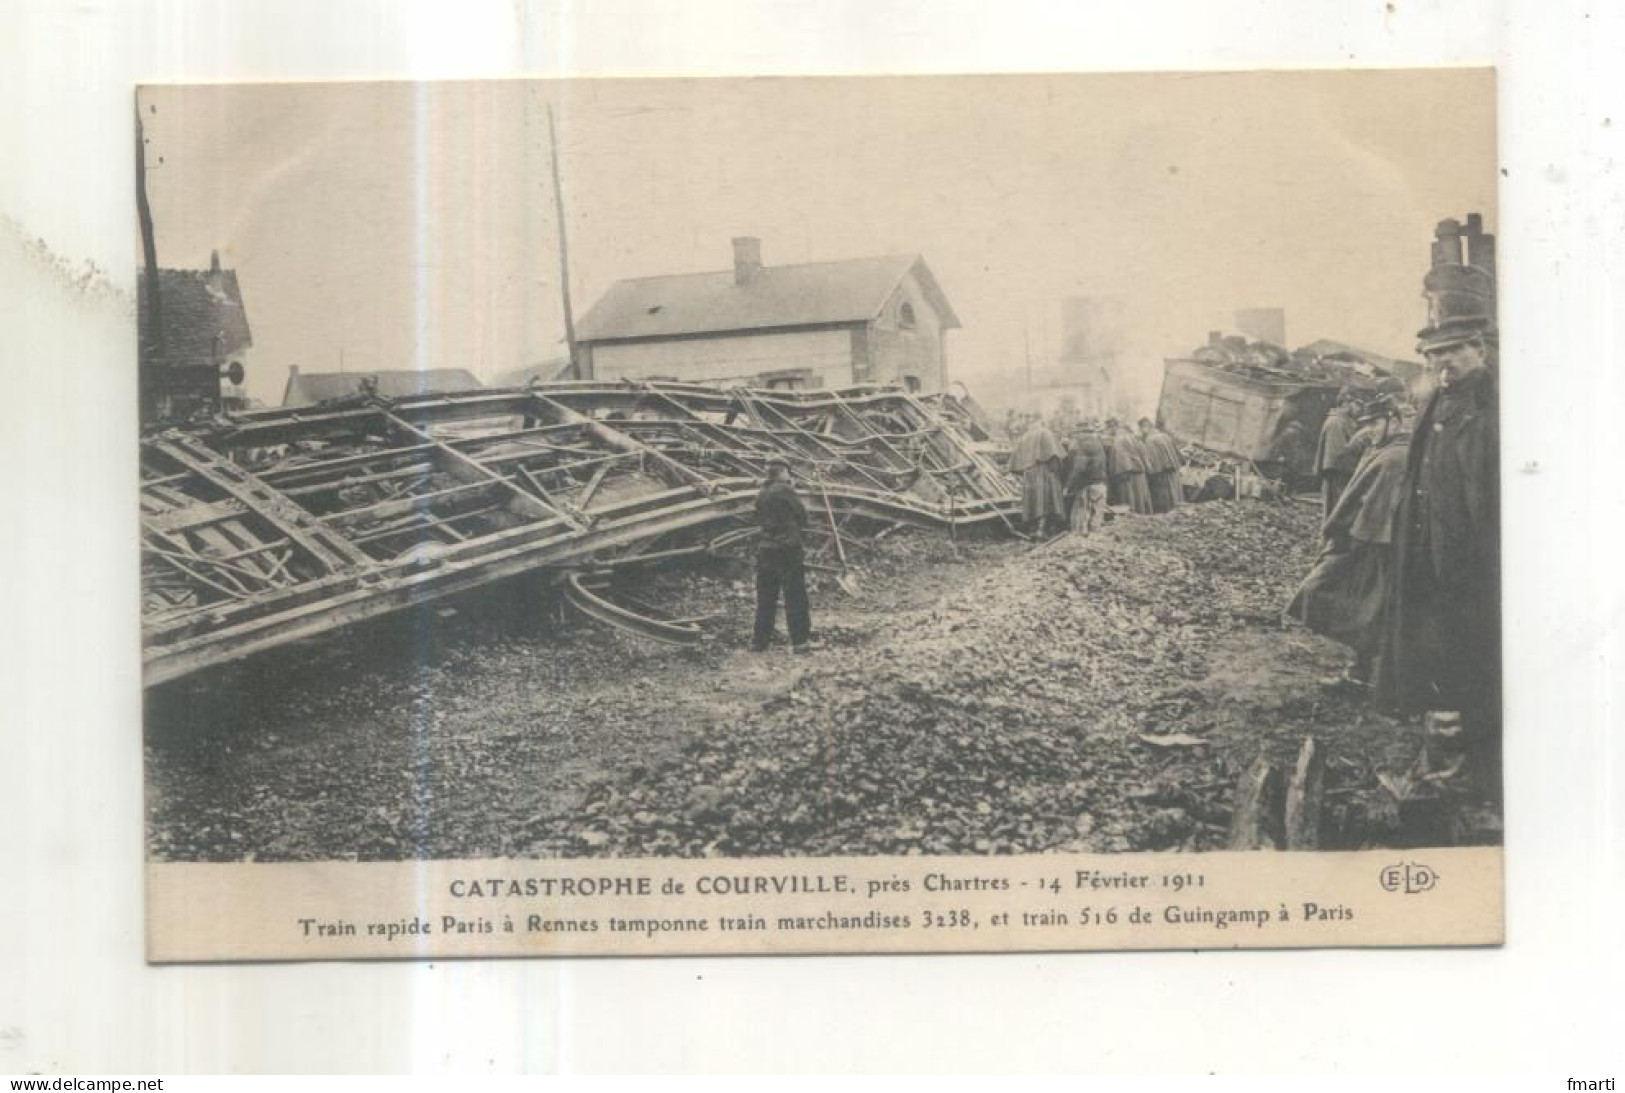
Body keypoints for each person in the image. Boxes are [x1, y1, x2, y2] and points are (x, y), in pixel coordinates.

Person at [1375, 320, 1500, 797]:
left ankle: (1464, 775)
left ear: (1479, 350)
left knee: (1472, 662)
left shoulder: (1494, 407)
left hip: (1475, 563)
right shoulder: (1436, 402)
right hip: (1429, 556)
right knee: (1435, 656)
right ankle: (1440, 765)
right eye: (1432, 355)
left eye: (1451, 352)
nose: (1440, 364)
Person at [1287, 396, 1410, 687]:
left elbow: (1377, 507)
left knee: (1363, 607)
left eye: (1377, 423)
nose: (1371, 430)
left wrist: (1348, 540)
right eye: (1369, 424)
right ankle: (1363, 670)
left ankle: (1363, 673)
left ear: (1394, 421)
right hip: (1367, 539)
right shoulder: (1384, 449)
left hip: (1372, 544)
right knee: (1368, 610)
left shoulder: (1395, 457)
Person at [751, 458, 814, 654]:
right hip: (787, 549)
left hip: (766, 549)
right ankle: (800, 642)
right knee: (794, 595)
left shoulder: (761, 494)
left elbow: (756, 518)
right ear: (782, 472)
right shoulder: (785, 490)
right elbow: (802, 516)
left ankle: (759, 642)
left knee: (766, 597)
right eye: (789, 472)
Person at [1009, 413, 1066, 535]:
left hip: (1028, 474)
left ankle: (1033, 529)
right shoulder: (1045, 433)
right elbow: (1055, 455)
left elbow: (1014, 463)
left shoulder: (1023, 437)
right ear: (1040, 420)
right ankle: (1042, 529)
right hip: (1043, 470)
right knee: (1045, 501)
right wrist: (1058, 473)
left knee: (1032, 502)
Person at [1314, 390, 1360, 517]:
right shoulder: (1335, 423)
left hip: (1341, 474)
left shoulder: (1345, 421)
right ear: (1345, 404)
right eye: (1356, 404)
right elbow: (1338, 456)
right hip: (1337, 475)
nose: (1359, 409)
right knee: (1335, 512)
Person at [1062, 426, 1109, 534]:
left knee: (1079, 522)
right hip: (1101, 484)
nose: (1075, 436)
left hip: (1088, 487)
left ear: (1082, 433)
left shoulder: (1083, 445)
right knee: (1096, 518)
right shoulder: (1098, 444)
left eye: (1076, 434)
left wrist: (1068, 487)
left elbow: (1079, 468)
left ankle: (1079, 544)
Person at [1106, 420, 1153, 515]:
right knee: (1141, 499)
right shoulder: (1136, 438)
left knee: (1129, 500)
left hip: (1128, 475)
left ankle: (1132, 518)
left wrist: (1115, 474)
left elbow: (1120, 459)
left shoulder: (1119, 440)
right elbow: (1145, 456)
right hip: (1140, 474)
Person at [1138, 417, 1184, 513]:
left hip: (1161, 474)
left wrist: (1148, 473)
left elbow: (1150, 461)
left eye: (1141, 428)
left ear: (1145, 427)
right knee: (1175, 495)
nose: (1141, 432)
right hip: (1173, 471)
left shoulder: (1150, 439)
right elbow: (1178, 454)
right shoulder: (1165, 436)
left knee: (1164, 499)